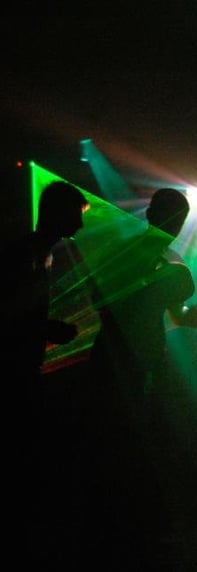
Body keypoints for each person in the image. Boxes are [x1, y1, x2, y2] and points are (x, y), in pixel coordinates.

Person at [85, 187, 197, 570]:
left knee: (138, 443)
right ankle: (119, 531)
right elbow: (104, 298)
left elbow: (171, 306)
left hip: (141, 363)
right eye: (175, 219)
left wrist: (185, 315)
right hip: (121, 363)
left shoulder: (161, 258)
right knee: (122, 443)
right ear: (155, 215)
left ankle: (131, 529)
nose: (177, 226)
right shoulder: (137, 253)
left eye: (180, 221)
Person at [0, 178, 89, 559]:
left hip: (22, 367)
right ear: (57, 213)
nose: (80, 224)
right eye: (75, 215)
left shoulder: (39, 253)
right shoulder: (25, 255)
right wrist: (47, 329)